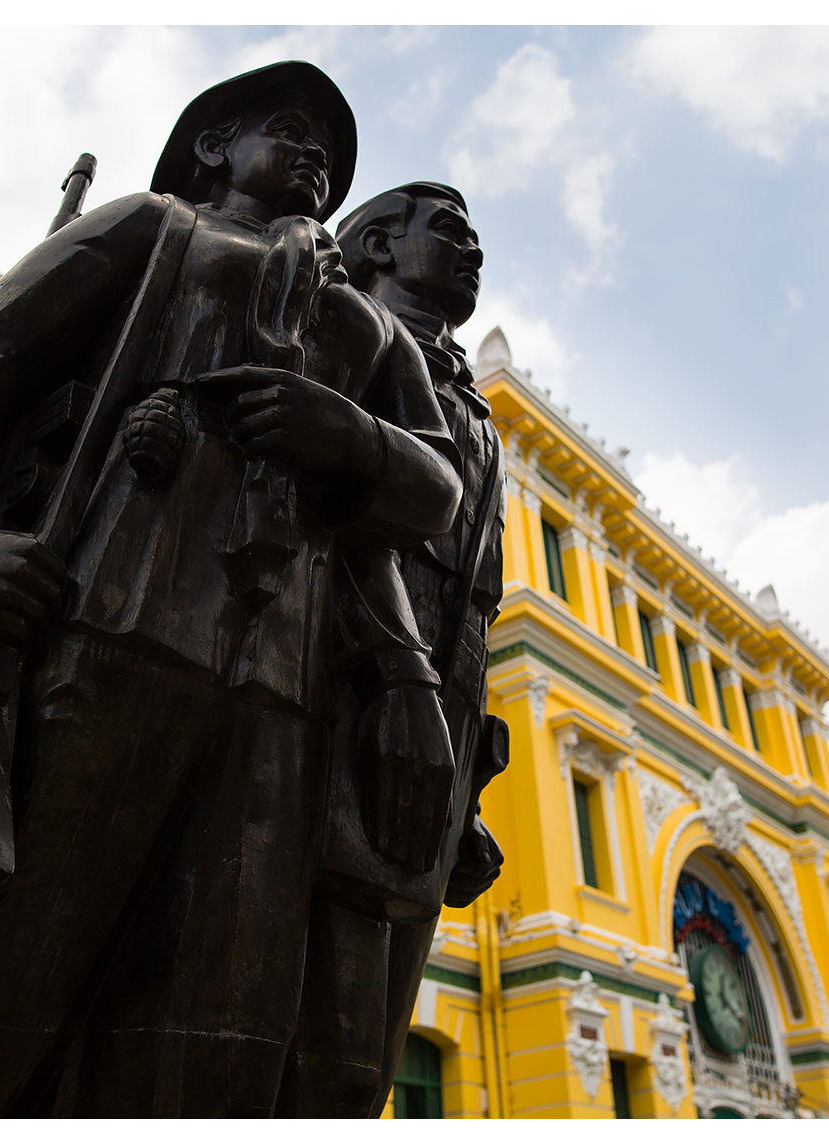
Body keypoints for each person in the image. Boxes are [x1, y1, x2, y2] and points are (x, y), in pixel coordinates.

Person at [0, 61, 462, 1118]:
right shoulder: (151, 230)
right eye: (290, 127)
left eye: (331, 149)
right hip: (102, 628)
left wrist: (344, 434)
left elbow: (434, 485)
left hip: (280, 699)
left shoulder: (367, 331)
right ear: (212, 145)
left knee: (214, 1029)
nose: (316, 154)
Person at [276, 182, 509, 1116]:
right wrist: (390, 678)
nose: (474, 250)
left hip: (430, 742)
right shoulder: (336, 331)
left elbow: (474, 605)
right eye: (449, 230)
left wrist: (467, 792)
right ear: (373, 241)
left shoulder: (481, 417)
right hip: (327, 692)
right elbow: (320, 522)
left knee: (361, 1064)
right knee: (291, 1035)